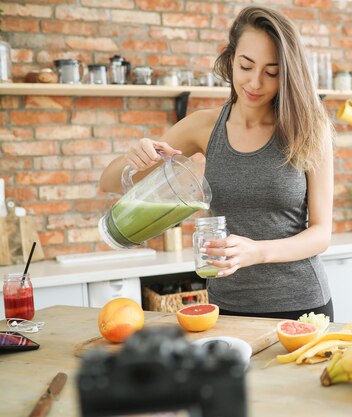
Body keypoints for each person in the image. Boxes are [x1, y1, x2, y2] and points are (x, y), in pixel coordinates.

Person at [100, 6, 335, 321]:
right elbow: (110, 182)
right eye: (246, 66)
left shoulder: (309, 128)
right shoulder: (203, 127)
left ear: (288, 73)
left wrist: (258, 251)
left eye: (272, 72)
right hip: (226, 307)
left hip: (300, 304)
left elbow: (321, 233)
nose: (255, 82)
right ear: (231, 59)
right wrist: (133, 159)